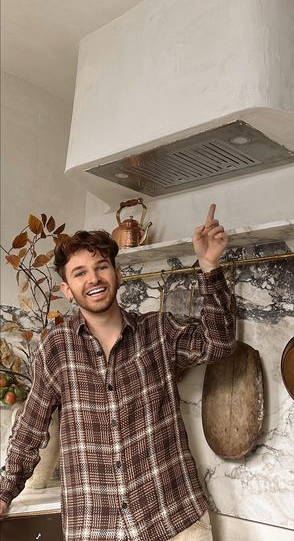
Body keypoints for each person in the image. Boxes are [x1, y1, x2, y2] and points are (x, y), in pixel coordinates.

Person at [0, 204, 235, 540]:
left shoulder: (158, 330)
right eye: (79, 273)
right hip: (96, 528)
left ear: (117, 273)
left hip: (175, 520)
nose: (93, 278)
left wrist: (210, 267)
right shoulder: (56, 348)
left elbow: (219, 344)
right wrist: (4, 492)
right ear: (67, 289)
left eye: (101, 267)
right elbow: (31, 428)